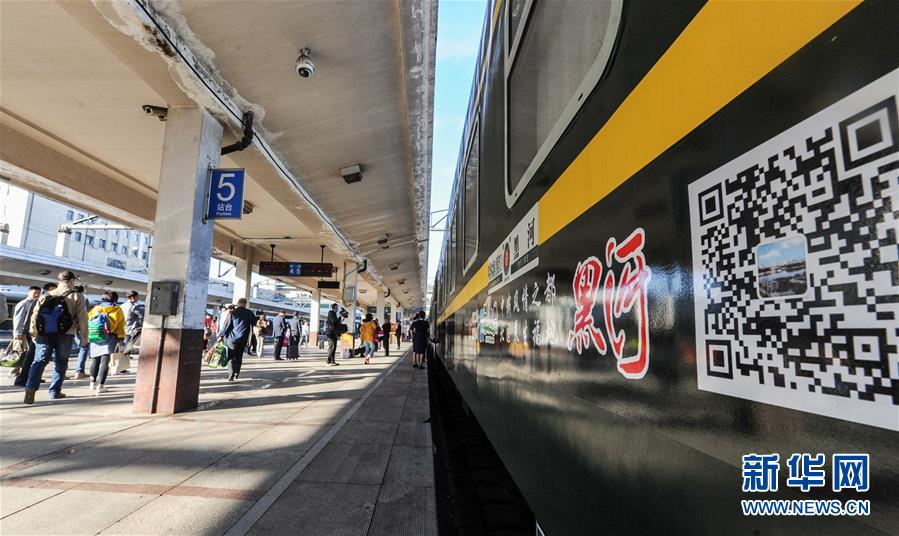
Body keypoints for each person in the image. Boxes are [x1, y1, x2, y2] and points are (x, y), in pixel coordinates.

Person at [23, 271, 89, 404]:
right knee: (61, 362)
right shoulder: (77, 296)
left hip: (44, 334)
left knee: (39, 361)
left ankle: (30, 389)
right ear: (71, 281)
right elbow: (83, 318)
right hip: (66, 334)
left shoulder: (45, 296)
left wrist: (33, 333)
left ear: (59, 281)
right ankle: (55, 391)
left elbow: (35, 316)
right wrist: (84, 336)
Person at [86, 292, 125, 394]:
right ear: (114, 299)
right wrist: (121, 338)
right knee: (105, 361)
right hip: (109, 336)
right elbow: (120, 325)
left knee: (95, 360)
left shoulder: (96, 308)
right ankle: (101, 386)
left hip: (95, 336)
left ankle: (92, 383)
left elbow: (88, 319)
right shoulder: (117, 309)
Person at [215, 298, 255, 381]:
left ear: (237, 303)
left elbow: (227, 326)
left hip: (232, 339)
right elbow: (254, 322)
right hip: (243, 339)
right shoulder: (249, 313)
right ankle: (237, 373)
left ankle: (231, 373)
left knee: (231, 356)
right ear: (245, 304)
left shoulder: (233, 313)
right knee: (239, 356)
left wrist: (221, 336)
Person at [11, 286, 41, 387]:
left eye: (38, 293)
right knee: (24, 355)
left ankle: (28, 376)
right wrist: (17, 333)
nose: (37, 294)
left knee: (28, 355)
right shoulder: (23, 304)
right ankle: (19, 376)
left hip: (30, 332)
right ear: (29, 293)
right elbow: (18, 319)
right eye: (35, 292)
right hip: (23, 334)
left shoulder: (36, 303)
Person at [72, 286, 92, 380]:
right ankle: (79, 371)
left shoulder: (66, 298)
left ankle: (62, 373)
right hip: (78, 328)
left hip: (65, 328)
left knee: (63, 350)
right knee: (84, 348)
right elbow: (84, 317)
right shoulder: (83, 299)